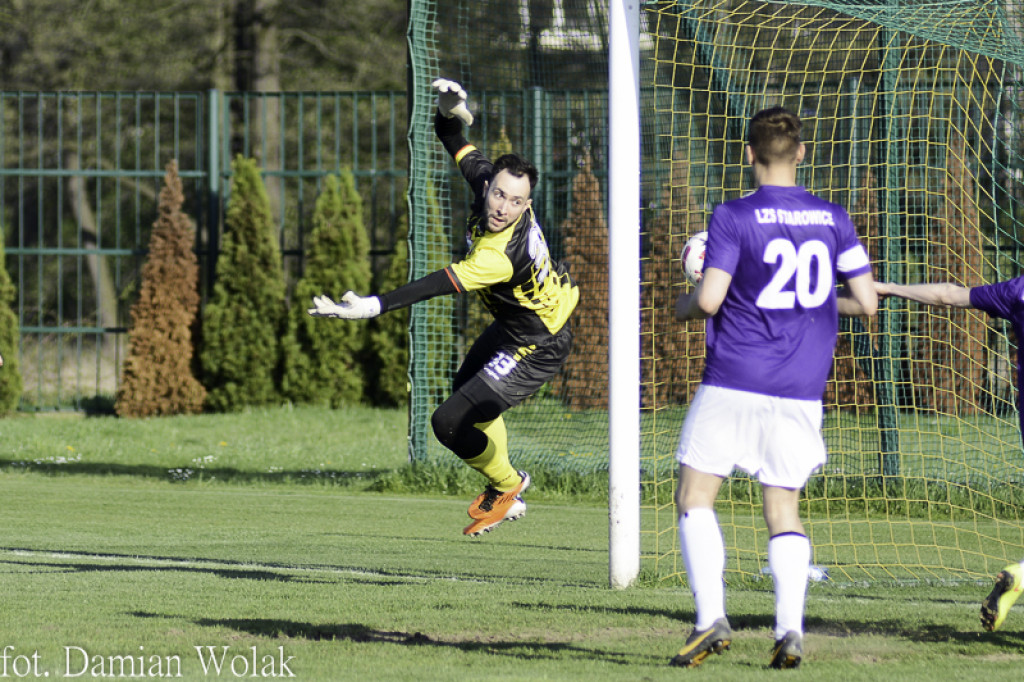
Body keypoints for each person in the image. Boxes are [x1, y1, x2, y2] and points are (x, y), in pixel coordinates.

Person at [308, 77, 579, 537]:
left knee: (448, 421)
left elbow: (436, 284)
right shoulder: (486, 187)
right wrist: (449, 109)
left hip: (540, 340)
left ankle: (508, 485)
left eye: (516, 202)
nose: (502, 207)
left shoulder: (497, 257)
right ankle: (505, 487)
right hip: (517, 327)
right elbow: (450, 137)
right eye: (499, 194)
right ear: (490, 183)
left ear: (526, 205)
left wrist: (373, 305)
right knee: (466, 395)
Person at [670, 106, 878, 670]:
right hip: (801, 388)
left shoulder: (733, 216)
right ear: (802, 154)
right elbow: (867, 302)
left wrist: (681, 306)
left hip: (736, 378)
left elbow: (710, 300)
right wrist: (814, 302)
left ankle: (710, 618)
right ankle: (789, 630)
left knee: (694, 497)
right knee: (783, 507)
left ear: (748, 154)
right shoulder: (834, 219)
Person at [874, 279, 1024, 631]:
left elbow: (947, 295)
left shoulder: (1017, 291)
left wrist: (892, 287)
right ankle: (1019, 575)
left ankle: (1018, 578)